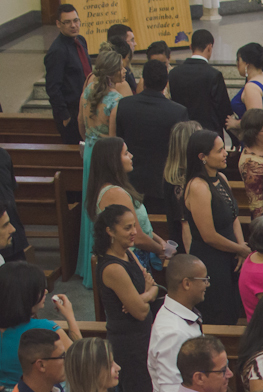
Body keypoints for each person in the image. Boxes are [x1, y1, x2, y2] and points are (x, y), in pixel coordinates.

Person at [184, 130, 250, 325]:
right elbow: (208, 235)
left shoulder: (221, 177)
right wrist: (240, 249)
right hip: (211, 259)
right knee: (218, 313)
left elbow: (233, 217)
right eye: (220, 150)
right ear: (202, 157)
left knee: (233, 309)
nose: (225, 153)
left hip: (231, 254)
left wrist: (240, 247)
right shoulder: (198, 186)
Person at [94, 204, 158, 392]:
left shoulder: (128, 253)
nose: (134, 232)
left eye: (134, 226)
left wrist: (144, 295)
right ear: (110, 231)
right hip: (129, 344)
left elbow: (154, 286)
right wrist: (147, 295)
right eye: (127, 228)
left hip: (144, 335)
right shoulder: (113, 268)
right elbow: (139, 312)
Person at [77, 48, 126, 290]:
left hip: (89, 152)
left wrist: (89, 144)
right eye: (121, 68)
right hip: (106, 155)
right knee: (103, 206)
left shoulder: (87, 92)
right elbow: (115, 138)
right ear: (112, 72)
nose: (124, 70)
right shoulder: (116, 100)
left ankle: (87, 264)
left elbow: (80, 124)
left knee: (90, 203)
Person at [113, 60, 188, 215]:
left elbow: (117, 143)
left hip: (130, 182)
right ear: (166, 83)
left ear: (144, 81)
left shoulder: (124, 106)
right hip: (163, 185)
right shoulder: (177, 112)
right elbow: (182, 152)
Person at [89, 137, 171, 269]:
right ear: (113, 160)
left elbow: (139, 226)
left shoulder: (118, 188)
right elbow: (137, 237)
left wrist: (160, 241)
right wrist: (162, 251)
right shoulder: (115, 193)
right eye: (126, 153)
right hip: (130, 259)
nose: (131, 156)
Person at [0, 262, 79, 392]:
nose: (46, 291)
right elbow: (82, 359)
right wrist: (70, 317)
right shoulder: (45, 329)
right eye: (40, 289)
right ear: (26, 295)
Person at [148, 254, 206, 392]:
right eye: (203, 280)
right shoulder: (173, 332)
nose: (207, 285)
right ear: (187, 283)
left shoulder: (182, 315)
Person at [168, 29, 234, 135]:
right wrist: (234, 138)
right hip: (208, 135)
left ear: (190, 47)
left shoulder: (173, 73)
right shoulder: (214, 75)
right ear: (209, 47)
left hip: (182, 134)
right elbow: (223, 110)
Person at [44, 5, 89, 145]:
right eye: (67, 22)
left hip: (85, 108)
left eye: (76, 20)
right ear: (58, 24)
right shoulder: (57, 51)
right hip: (71, 112)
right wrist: (65, 116)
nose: (73, 25)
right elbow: (53, 88)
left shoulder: (80, 41)